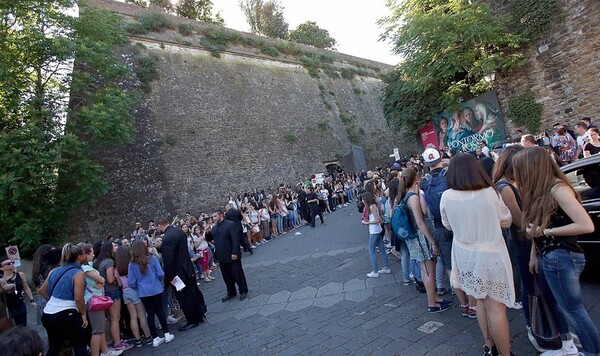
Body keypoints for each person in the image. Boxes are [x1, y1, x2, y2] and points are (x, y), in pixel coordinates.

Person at [513, 147, 600, 356]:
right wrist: (534, 252)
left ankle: (592, 351)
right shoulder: (541, 190)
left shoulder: (557, 188)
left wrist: (546, 231)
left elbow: (586, 225)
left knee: (574, 310)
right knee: (565, 307)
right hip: (550, 255)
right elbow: (537, 227)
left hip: (562, 255)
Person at [440, 153, 514, 356]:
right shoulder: (490, 193)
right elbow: (506, 220)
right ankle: (505, 353)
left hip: (465, 254)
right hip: (491, 253)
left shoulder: (446, 196)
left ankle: (489, 346)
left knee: (480, 301)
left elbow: (447, 225)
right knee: (496, 307)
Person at [397, 168, 451, 314]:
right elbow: (421, 221)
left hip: (416, 239)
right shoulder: (413, 197)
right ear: (415, 179)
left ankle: (434, 299)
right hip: (421, 239)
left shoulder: (406, 196)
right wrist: (432, 241)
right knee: (428, 270)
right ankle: (432, 303)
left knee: (426, 269)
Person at [156, 217, 207, 331]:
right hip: (188, 268)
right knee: (193, 293)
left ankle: (191, 320)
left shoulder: (167, 238)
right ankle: (199, 315)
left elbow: (168, 260)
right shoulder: (179, 232)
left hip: (178, 273)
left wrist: (169, 277)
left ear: (160, 226)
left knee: (184, 297)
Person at [38, 243, 88, 356]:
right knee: (80, 345)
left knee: (54, 347)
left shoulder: (54, 271)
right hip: (67, 313)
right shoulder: (78, 273)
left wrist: (54, 300)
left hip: (48, 313)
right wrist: (83, 314)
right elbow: (78, 298)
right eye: (84, 254)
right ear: (79, 256)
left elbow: (41, 291)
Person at [128, 240, 174, 347]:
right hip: (156, 289)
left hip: (143, 292)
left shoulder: (132, 265)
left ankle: (155, 338)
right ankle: (167, 333)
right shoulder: (152, 259)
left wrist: (139, 286)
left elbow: (131, 282)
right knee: (160, 312)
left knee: (150, 315)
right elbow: (160, 273)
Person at [79, 243, 123, 356]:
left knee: (101, 327)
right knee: (97, 331)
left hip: (96, 298)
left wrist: (101, 282)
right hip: (94, 300)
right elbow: (102, 279)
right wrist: (101, 281)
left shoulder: (89, 265)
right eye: (91, 252)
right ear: (85, 254)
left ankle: (105, 351)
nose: (94, 254)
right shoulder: (85, 268)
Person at [94, 241, 131, 351]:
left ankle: (110, 340)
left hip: (104, 293)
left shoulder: (98, 262)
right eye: (114, 246)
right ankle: (117, 343)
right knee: (115, 318)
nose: (116, 247)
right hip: (113, 292)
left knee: (110, 318)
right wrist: (118, 277)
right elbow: (110, 279)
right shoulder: (109, 262)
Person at [114, 246, 152, 348]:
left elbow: (119, 284)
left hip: (125, 293)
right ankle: (148, 337)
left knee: (133, 317)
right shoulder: (132, 265)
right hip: (134, 291)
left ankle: (138, 339)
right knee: (142, 315)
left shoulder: (116, 268)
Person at [210, 209, 249, 302]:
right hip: (221, 256)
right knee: (226, 277)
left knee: (237, 274)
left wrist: (235, 252)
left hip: (232, 254)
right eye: (212, 217)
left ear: (220, 215)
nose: (213, 218)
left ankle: (243, 290)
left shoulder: (230, 225)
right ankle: (231, 292)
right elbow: (210, 238)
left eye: (215, 216)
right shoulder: (214, 228)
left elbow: (235, 239)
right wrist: (207, 233)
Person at [361, 192, 390, 278]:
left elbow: (378, 219)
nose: (362, 201)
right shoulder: (373, 206)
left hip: (374, 231)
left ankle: (375, 271)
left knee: (371, 251)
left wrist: (367, 222)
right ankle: (386, 267)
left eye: (363, 199)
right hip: (377, 230)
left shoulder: (371, 207)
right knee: (382, 249)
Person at [0, 256, 35, 326]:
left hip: (19, 304)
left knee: (22, 326)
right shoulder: (1, 280)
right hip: (7, 307)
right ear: (1, 268)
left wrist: (32, 300)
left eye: (12, 262)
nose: (11, 264)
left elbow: (26, 287)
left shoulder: (20, 275)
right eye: (8, 264)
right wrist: (3, 288)